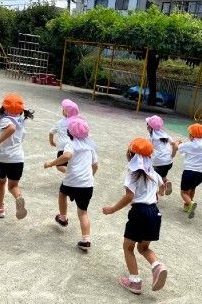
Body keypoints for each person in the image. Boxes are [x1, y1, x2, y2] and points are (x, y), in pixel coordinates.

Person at [103, 138, 167, 295]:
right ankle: (157, 266)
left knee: (128, 247)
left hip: (139, 212)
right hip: (154, 212)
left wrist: (112, 209)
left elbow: (129, 196)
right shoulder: (153, 172)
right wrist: (158, 194)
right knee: (144, 247)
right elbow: (162, 187)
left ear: (130, 154)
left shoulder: (132, 174)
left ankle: (135, 282)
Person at [44, 116, 98, 251]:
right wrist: (89, 177)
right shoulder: (90, 147)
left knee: (62, 194)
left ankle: (62, 217)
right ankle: (86, 240)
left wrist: (51, 163)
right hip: (87, 185)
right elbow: (95, 166)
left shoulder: (71, 144)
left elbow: (67, 156)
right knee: (83, 213)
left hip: (71, 181)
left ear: (70, 133)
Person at [0, 93, 34, 220]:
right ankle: (18, 198)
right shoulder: (21, 120)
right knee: (13, 186)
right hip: (17, 159)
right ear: (21, 109)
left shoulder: (5, 119)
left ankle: (0, 207)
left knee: (1, 182)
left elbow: (11, 128)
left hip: (2, 158)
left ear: (4, 107)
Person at [173, 123, 202, 219]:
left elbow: (177, 148)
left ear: (191, 135)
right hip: (200, 173)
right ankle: (187, 205)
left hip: (189, 172)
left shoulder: (189, 145)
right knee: (192, 188)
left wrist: (176, 142)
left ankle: (190, 203)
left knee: (183, 192)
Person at [145, 115, 177, 196]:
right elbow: (175, 145)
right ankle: (163, 188)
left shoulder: (151, 138)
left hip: (158, 162)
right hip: (168, 162)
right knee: (162, 175)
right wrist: (172, 155)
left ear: (150, 127)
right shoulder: (166, 136)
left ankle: (155, 192)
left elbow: (148, 150)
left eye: (147, 124)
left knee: (154, 177)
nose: (147, 126)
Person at [49, 99, 79, 173]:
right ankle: (73, 173)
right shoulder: (77, 122)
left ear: (64, 112)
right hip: (75, 147)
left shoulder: (59, 123)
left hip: (63, 147)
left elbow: (51, 132)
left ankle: (71, 174)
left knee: (59, 165)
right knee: (72, 163)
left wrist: (51, 142)